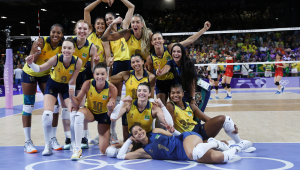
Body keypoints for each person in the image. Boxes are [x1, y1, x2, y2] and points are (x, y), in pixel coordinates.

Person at [25, 38, 83, 156]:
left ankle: (73, 143)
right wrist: (31, 64)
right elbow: (40, 68)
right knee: (47, 115)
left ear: (73, 50)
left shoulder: (78, 62)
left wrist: (72, 93)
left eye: (69, 48)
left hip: (66, 87)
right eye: (64, 48)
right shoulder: (56, 58)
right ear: (62, 49)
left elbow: (73, 78)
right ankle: (48, 145)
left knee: (73, 114)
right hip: (52, 85)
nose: (66, 50)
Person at [21, 24, 64, 153]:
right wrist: (36, 51)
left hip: (45, 74)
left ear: (62, 35)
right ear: (49, 32)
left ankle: (52, 138)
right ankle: (27, 142)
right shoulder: (40, 41)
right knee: (28, 106)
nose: (55, 35)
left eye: (58, 33)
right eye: (53, 32)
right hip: (30, 73)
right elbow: (32, 60)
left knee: (55, 105)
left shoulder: (63, 45)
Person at [112, 124, 252, 164]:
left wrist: (175, 130)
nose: (139, 132)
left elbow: (175, 135)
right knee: (220, 158)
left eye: (140, 129)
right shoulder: (143, 151)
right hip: (187, 155)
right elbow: (121, 156)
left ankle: (212, 143)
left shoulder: (155, 131)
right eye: (135, 133)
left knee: (193, 153)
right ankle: (237, 146)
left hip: (187, 139)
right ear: (135, 138)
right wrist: (128, 140)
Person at [60, 20, 100, 150]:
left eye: (85, 29)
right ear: (75, 29)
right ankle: (68, 138)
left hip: (80, 78)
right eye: (80, 28)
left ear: (89, 31)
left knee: (81, 108)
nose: (82, 31)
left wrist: (97, 63)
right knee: (66, 109)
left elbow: (94, 70)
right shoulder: (68, 42)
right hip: (65, 77)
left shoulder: (92, 47)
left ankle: (83, 136)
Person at [167, 84, 250, 147]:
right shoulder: (170, 105)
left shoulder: (191, 106)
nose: (175, 95)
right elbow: (172, 128)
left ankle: (239, 143)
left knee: (225, 119)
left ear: (183, 94)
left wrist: (231, 125)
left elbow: (208, 119)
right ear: (169, 95)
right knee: (214, 145)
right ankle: (221, 144)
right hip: (187, 137)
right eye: (172, 93)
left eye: (178, 92)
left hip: (198, 130)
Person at [154, 21, 211, 106]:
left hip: (197, 89)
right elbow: (167, 67)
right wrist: (161, 72)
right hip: (182, 89)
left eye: (178, 51)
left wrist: (204, 29)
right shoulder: (170, 62)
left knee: (197, 112)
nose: (176, 53)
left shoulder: (187, 62)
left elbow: (190, 40)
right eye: (174, 52)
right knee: (180, 110)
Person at [69, 62, 117, 160]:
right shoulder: (88, 84)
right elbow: (77, 102)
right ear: (94, 75)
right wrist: (71, 97)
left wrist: (110, 108)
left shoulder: (112, 88)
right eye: (97, 74)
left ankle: (111, 142)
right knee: (77, 115)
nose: (100, 76)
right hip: (90, 112)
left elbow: (111, 109)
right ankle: (77, 148)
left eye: (103, 74)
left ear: (107, 75)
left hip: (104, 115)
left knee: (103, 151)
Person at [83, 0, 112, 145]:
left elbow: (108, 56)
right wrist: (100, 0)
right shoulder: (89, 34)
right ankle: (85, 134)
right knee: (87, 102)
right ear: (93, 26)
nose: (100, 25)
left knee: (104, 103)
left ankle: (101, 134)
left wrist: (108, 69)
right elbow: (86, 11)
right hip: (89, 70)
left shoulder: (107, 38)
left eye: (103, 24)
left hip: (102, 72)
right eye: (98, 24)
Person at [109, 54, 156, 141]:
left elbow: (151, 96)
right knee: (127, 138)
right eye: (133, 62)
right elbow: (109, 79)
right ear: (130, 64)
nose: (135, 64)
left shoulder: (151, 77)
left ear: (143, 62)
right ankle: (115, 136)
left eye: (138, 61)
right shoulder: (126, 75)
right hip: (129, 107)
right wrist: (110, 67)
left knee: (145, 136)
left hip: (143, 107)